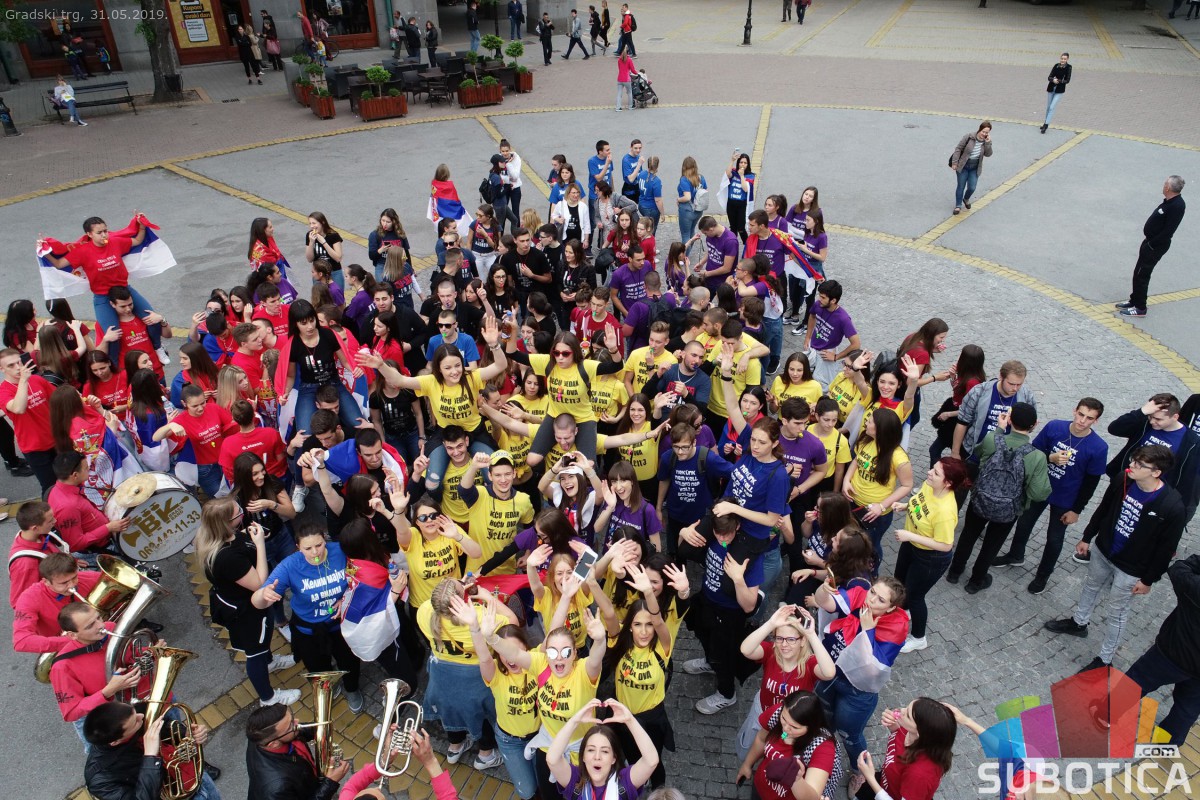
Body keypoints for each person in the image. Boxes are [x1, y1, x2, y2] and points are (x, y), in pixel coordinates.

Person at [1044, 445, 1186, 672]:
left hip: (1131, 569)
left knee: (1117, 613)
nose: (1131, 465)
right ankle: (1079, 623)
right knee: (1090, 587)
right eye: (1133, 459)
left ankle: (1105, 659)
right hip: (1103, 550)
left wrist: (1148, 580)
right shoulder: (1123, 479)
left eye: (1139, 464)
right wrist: (1087, 537)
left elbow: (1166, 549)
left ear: (1156, 472)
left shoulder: (1172, 506)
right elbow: (1104, 509)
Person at [993, 398, 1108, 595]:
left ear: (1096, 421)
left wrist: (1076, 510)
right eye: (1081, 414)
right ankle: (1015, 555)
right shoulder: (1055, 427)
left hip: (1066, 499)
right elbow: (1034, 452)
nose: (1082, 421)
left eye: (1089, 418)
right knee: (1023, 524)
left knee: (1054, 539)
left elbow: (1091, 483)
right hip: (1039, 488)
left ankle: (1043, 575)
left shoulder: (1098, 447)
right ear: (1074, 411)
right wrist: (1050, 458)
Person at [195, 496, 300, 706]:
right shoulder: (226, 558)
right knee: (255, 653)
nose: (243, 514)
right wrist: (260, 544)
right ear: (225, 523)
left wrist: (247, 535)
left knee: (262, 643)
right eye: (238, 513)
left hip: (249, 605)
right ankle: (268, 697)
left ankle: (269, 661)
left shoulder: (221, 536)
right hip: (246, 613)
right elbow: (260, 582)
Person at [1075, 393, 1199, 566]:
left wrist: (1176, 506)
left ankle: (1124, 564)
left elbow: (1187, 480)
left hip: (1154, 495)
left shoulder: (1191, 442)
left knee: (1139, 531)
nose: (1153, 422)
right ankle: (1099, 550)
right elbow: (1115, 428)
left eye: (1158, 419)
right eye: (1150, 417)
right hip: (1125, 482)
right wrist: (1142, 412)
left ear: (1175, 417)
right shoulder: (1145, 423)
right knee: (1110, 517)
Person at [251, 521, 363, 712]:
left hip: (341, 624)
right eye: (308, 548)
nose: (315, 552)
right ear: (298, 547)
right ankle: (329, 686)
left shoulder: (340, 551)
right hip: (309, 630)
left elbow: (359, 575)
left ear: (325, 540)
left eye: (319, 545)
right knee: (317, 667)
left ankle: (352, 689)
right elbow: (257, 601)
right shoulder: (290, 565)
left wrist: (346, 597)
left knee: (349, 661)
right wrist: (263, 595)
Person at [947, 403, 1050, 595]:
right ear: (1034, 424)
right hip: (1009, 508)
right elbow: (1039, 493)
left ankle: (954, 572)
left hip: (981, 499)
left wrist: (998, 430)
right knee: (991, 545)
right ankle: (976, 582)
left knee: (968, 535)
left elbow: (978, 453)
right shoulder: (1037, 457)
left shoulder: (992, 439)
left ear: (1009, 420)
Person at [418, 579, 517, 769]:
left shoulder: (425, 611)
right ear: (461, 600)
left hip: (441, 676)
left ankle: (455, 747)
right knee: (480, 714)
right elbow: (512, 623)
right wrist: (487, 597)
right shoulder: (478, 617)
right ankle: (485, 755)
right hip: (474, 678)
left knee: (450, 709)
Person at [811, 576, 909, 768]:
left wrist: (867, 631)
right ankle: (823, 748)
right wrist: (823, 589)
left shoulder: (896, 626)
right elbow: (826, 602)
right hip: (829, 673)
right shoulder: (860, 595)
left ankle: (859, 770)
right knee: (823, 718)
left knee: (849, 735)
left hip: (856, 690)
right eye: (872, 592)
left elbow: (874, 669)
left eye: (881, 600)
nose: (871, 599)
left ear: (891, 608)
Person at [678, 510, 764, 715]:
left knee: (724, 657)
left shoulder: (749, 554)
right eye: (718, 533)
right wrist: (683, 532)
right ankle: (710, 662)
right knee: (702, 634)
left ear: (738, 526)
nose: (722, 539)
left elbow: (749, 606)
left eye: (728, 534)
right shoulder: (712, 536)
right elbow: (683, 550)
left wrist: (738, 579)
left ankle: (726, 694)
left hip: (729, 614)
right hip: (707, 600)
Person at [736, 605, 836, 762]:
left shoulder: (809, 663)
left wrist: (811, 634)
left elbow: (829, 673)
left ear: (802, 641)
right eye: (779, 638)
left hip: (789, 723)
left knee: (776, 749)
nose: (784, 644)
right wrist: (771, 623)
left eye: (791, 639)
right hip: (762, 711)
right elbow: (745, 649)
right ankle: (747, 763)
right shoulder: (771, 652)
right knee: (749, 745)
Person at [892, 457, 970, 653]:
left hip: (930, 558)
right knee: (900, 581)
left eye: (936, 472)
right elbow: (920, 502)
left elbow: (945, 545)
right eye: (933, 468)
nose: (929, 472)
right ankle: (904, 610)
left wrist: (909, 535)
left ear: (948, 483)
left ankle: (918, 638)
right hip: (911, 545)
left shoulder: (945, 511)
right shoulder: (930, 486)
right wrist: (905, 506)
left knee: (915, 596)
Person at [1125, 553, 1200, 745]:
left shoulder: (1195, 587)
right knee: (1187, 708)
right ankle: (1169, 742)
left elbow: (1178, 569)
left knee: (1136, 681)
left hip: (1173, 653)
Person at [83, 701, 219, 800]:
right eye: (135, 722)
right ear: (115, 741)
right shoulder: (100, 780)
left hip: (197, 777)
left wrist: (188, 734)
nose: (141, 716)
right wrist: (150, 758)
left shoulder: (135, 713)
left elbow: (166, 727)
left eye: (135, 712)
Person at [738, 690, 843, 800]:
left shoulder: (823, 747)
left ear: (811, 726)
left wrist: (796, 779)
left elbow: (813, 796)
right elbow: (761, 739)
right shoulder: (781, 713)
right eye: (783, 719)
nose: (785, 728)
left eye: (794, 727)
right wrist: (747, 764)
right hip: (760, 786)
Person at [844, 409, 913, 576]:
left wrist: (881, 506)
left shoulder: (898, 458)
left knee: (870, 547)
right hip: (853, 502)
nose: (866, 423)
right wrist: (847, 480)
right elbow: (857, 460)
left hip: (874, 514)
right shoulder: (866, 440)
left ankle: (871, 574)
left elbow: (907, 485)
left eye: (870, 421)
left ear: (880, 429)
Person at [546, 699, 660, 800]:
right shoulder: (576, 780)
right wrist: (574, 720)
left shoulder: (624, 782)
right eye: (591, 750)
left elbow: (651, 761)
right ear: (583, 756)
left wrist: (630, 720)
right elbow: (552, 760)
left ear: (613, 758)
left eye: (605, 751)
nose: (597, 757)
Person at [852, 698, 957, 800]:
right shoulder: (909, 731)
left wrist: (870, 778)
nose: (901, 710)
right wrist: (894, 727)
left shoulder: (920, 775)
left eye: (907, 715)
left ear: (919, 732)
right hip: (883, 783)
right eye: (906, 708)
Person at [244, 702, 350, 799]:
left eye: (292, 719)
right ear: (274, 743)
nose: (297, 722)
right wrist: (330, 783)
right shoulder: (277, 790)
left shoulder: (260, 735)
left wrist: (318, 730)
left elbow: (295, 732)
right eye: (291, 725)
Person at [1116, 176, 1186, 318]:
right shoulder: (1169, 201)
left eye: (1165, 183)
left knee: (1142, 275)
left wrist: (1151, 245)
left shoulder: (1177, 205)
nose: (1163, 185)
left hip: (1155, 246)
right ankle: (1134, 300)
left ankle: (1140, 307)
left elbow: (1168, 231)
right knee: (1138, 272)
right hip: (1150, 243)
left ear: (1168, 188)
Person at [949, 120, 994, 216]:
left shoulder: (986, 141)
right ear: (980, 129)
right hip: (963, 166)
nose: (984, 134)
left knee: (972, 187)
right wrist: (954, 162)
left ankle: (966, 198)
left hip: (975, 168)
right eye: (983, 131)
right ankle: (958, 206)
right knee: (961, 186)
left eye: (987, 132)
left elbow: (988, 154)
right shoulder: (969, 137)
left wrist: (988, 143)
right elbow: (958, 149)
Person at [1042, 52, 1071, 133]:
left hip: (1059, 90)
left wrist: (1059, 81)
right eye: (1062, 58)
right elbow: (1049, 77)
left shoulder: (1069, 67)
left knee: (1052, 107)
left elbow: (1067, 80)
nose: (1063, 60)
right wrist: (1053, 80)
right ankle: (1045, 123)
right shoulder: (1056, 65)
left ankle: (1046, 125)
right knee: (1048, 107)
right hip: (1051, 88)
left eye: (1064, 59)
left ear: (1067, 59)